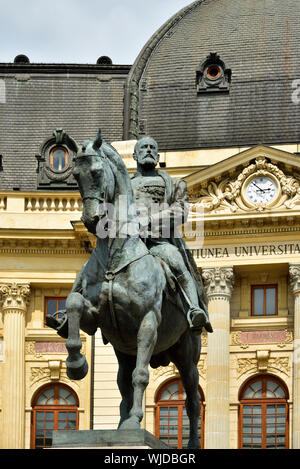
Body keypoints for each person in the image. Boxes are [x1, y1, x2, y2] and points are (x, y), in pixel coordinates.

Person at [131, 136, 212, 334]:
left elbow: (180, 211)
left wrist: (151, 220)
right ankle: (75, 312)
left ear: (158, 156)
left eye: (152, 147)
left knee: (178, 264)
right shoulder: (124, 184)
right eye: (144, 147)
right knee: (94, 266)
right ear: (135, 155)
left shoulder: (173, 184)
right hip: (129, 243)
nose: (148, 150)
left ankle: (194, 310)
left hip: (159, 241)